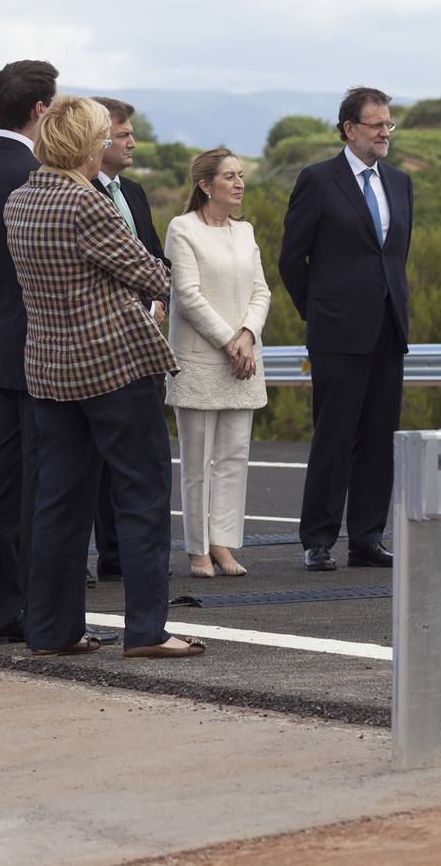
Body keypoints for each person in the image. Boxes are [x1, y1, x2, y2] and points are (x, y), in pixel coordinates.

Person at [4, 96, 203, 659]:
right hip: (114, 366)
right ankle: (146, 629)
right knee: (141, 496)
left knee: (59, 504)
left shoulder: (19, 201)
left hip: (49, 368)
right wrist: (146, 281)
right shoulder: (86, 203)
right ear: (87, 145)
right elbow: (149, 272)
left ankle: (52, 629)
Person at [279, 87, 413, 572]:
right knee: (334, 437)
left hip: (388, 328)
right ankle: (317, 539)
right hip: (337, 332)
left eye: (388, 124)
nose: (384, 133)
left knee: (380, 437)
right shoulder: (318, 180)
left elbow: (395, 257)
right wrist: (318, 313)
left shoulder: (399, 183)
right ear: (349, 129)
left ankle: (367, 537)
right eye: (376, 125)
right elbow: (292, 259)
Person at [0, 59, 56, 645]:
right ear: (42, 110)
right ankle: (24, 606)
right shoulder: (31, 174)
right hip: (35, 345)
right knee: (32, 485)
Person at [165, 149, 270, 578]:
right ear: (206, 185)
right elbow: (187, 295)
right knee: (197, 460)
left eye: (241, 175)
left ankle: (223, 543)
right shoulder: (182, 229)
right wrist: (229, 341)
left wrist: (247, 336)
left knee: (234, 456)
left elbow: (261, 291)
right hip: (201, 360)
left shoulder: (245, 232)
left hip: (242, 359)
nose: (239, 183)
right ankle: (197, 550)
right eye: (229, 176)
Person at [88, 96, 168, 585]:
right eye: (123, 134)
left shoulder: (133, 192)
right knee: (96, 459)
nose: (132, 142)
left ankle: (122, 555)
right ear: (99, 140)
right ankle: (98, 551)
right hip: (101, 341)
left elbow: (156, 257)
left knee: (138, 456)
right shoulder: (81, 193)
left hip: (143, 334)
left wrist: (158, 301)